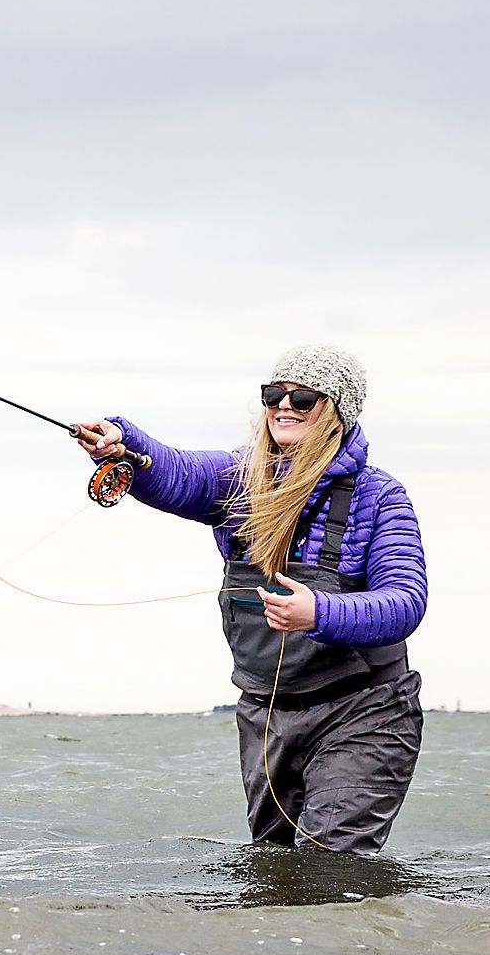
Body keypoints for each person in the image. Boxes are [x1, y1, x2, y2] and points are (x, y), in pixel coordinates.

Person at [74, 345, 428, 855]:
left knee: (330, 865)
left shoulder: (380, 496)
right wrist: (120, 440)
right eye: (273, 395)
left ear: (337, 411)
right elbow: (174, 471)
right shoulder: (237, 480)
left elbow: (406, 602)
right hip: (266, 717)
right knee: (275, 872)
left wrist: (318, 613)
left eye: (303, 398)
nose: (284, 406)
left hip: (365, 710)